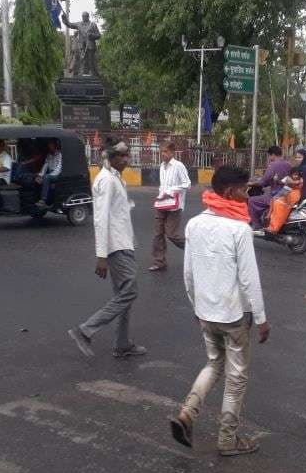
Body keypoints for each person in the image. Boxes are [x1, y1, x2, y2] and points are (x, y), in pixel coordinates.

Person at [170, 165, 270, 457]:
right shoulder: (239, 229)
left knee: (214, 364)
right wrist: (262, 319)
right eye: (244, 190)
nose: (247, 195)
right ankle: (228, 438)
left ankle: (188, 413)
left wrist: (196, 306)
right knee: (236, 376)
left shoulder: (195, 224)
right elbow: (250, 279)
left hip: (205, 312)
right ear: (229, 192)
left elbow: (188, 274)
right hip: (234, 316)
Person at [69, 142, 146, 359]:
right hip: (116, 248)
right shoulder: (106, 181)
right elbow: (101, 220)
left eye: (126, 155)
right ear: (110, 157)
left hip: (124, 245)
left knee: (124, 296)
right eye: (120, 156)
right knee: (130, 292)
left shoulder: (114, 178)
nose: (125, 159)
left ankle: (121, 344)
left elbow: (119, 215)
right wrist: (101, 255)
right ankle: (84, 330)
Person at [149, 140, 191, 272]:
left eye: (166, 151)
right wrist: (161, 194)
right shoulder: (162, 166)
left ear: (172, 152)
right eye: (161, 151)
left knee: (171, 234)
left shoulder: (178, 166)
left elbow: (187, 184)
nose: (163, 154)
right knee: (158, 234)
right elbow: (163, 185)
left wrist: (171, 191)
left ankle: (195, 249)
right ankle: (159, 262)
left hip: (174, 205)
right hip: (161, 203)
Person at [247, 146, 292, 229]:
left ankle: (256, 224)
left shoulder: (273, 165)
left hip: (276, 195)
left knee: (252, 201)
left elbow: (264, 181)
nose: (269, 158)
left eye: (269, 156)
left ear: (273, 155)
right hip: (287, 193)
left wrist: (251, 183)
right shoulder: (288, 164)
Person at [35, 140, 63, 207]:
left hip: (57, 174)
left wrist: (47, 176)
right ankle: (36, 198)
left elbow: (59, 168)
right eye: (49, 145)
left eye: (51, 145)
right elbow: (45, 165)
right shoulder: (49, 155)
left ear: (55, 145)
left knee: (46, 177)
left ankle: (43, 200)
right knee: (37, 178)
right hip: (50, 173)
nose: (50, 146)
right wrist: (40, 175)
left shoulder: (59, 154)